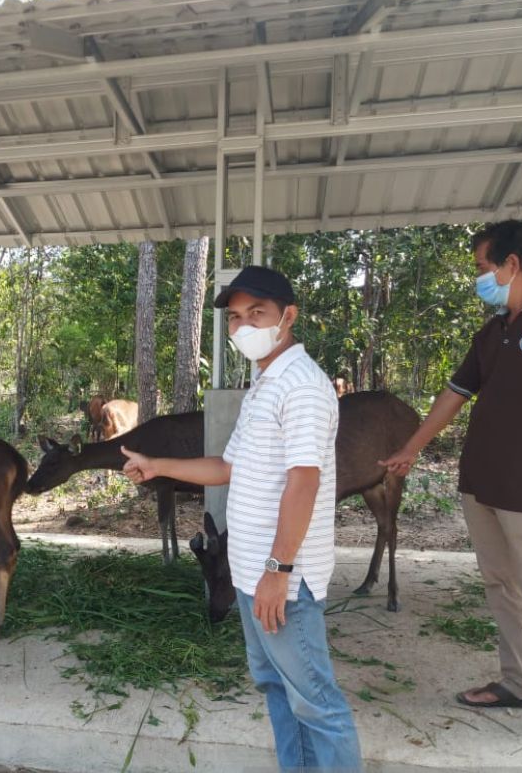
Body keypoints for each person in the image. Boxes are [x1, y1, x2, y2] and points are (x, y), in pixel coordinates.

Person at [381, 220, 522, 759]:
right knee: (500, 587)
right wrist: (412, 446)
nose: (480, 278)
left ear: (512, 264)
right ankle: (520, 684)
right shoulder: (493, 331)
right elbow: (453, 394)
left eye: (483, 268)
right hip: (481, 483)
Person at [122, 266, 362, 772]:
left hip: (282, 578)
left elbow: (304, 482)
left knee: (318, 704)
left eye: (257, 313)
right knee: (278, 688)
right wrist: (157, 465)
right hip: (254, 572)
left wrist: (279, 570)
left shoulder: (301, 386)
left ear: (288, 316)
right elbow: (227, 466)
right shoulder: (263, 385)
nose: (244, 326)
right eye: (235, 317)